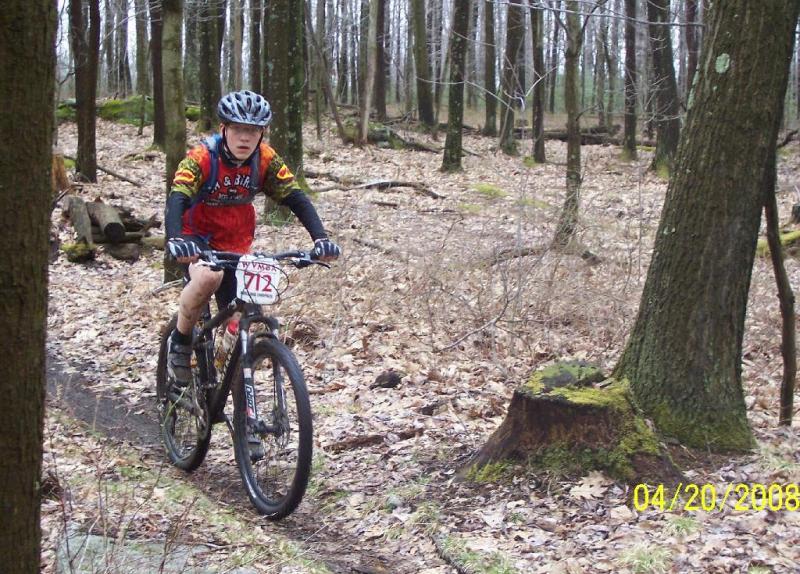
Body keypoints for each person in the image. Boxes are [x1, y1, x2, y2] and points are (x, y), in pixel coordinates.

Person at [165, 90, 340, 392]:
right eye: (238, 129)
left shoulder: (266, 160)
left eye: (253, 131)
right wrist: (177, 239)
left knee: (247, 307)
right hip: (196, 238)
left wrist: (320, 239)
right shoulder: (201, 158)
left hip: (236, 240)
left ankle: (224, 365)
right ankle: (179, 344)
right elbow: (177, 198)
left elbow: (295, 197)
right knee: (208, 277)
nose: (245, 138)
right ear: (224, 129)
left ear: (261, 134)